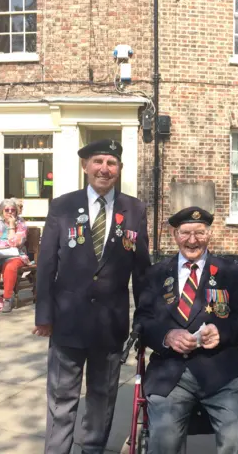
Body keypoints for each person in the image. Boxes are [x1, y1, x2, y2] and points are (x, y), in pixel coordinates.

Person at [34, 139, 151, 454]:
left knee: (102, 397)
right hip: (67, 320)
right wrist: (43, 316)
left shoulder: (135, 209)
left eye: (111, 163)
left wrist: (145, 320)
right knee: (61, 397)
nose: (104, 168)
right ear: (85, 166)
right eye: (98, 161)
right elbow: (46, 264)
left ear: (119, 169)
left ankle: (93, 449)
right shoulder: (62, 206)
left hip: (110, 324)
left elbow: (141, 270)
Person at [134, 207, 238, 454]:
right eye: (186, 233)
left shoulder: (229, 272)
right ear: (174, 235)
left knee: (236, 437)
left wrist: (221, 332)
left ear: (209, 235)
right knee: (164, 439)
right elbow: (142, 321)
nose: (192, 240)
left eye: (199, 233)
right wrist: (167, 336)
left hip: (221, 372)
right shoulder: (156, 274)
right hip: (171, 373)